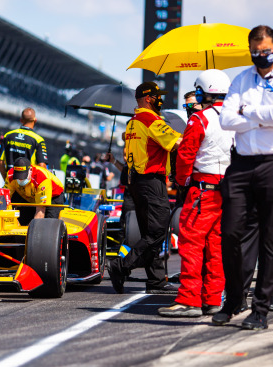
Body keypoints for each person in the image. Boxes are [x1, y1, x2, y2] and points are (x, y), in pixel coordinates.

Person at [158, 69, 234, 318]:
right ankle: (213, 299)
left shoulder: (199, 118)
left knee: (191, 243)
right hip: (230, 190)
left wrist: (182, 181)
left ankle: (189, 300)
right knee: (217, 246)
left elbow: (185, 154)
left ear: (203, 91)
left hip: (203, 190)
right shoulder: (237, 118)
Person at [215, 25, 273, 330]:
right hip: (240, 165)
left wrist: (249, 114)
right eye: (256, 51)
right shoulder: (241, 79)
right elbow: (226, 120)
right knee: (231, 234)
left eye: (265, 50)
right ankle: (235, 299)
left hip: (271, 165)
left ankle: (260, 309)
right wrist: (260, 118)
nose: (260, 56)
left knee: (269, 240)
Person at [108, 81, 182, 295]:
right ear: (149, 98)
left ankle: (156, 281)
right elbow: (175, 142)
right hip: (151, 182)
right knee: (158, 231)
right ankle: (121, 266)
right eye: (158, 96)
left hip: (137, 184)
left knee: (150, 232)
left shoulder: (132, 122)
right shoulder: (151, 119)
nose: (161, 100)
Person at [5, 157, 64, 225]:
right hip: (28, 196)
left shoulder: (42, 178)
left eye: (23, 176)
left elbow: (40, 211)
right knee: (22, 220)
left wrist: (31, 230)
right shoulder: (10, 175)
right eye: (18, 176)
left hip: (53, 196)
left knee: (49, 224)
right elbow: (5, 199)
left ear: (30, 170)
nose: (20, 180)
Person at [0, 107, 48, 180]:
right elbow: (42, 166)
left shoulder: (8, 135)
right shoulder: (38, 140)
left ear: (21, 120)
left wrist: (6, 178)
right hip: (28, 184)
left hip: (11, 182)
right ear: (35, 120)